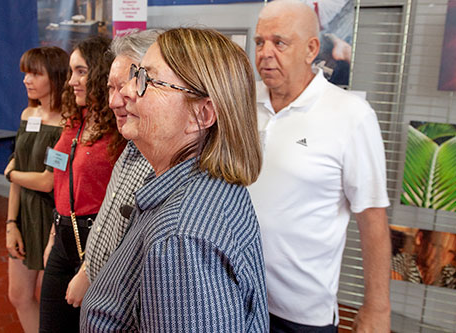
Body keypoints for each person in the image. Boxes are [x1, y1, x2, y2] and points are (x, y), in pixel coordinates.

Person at [80, 27, 269, 332]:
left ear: (202, 114)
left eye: (145, 80)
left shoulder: (181, 239)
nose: (128, 91)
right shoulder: (208, 186)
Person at [248, 0, 391, 331]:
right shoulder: (244, 103)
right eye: (259, 42)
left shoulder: (351, 116)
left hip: (301, 315)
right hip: (236, 299)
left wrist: (377, 308)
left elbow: (372, 219)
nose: (265, 53)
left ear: (312, 48)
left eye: (279, 42)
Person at [64, 29, 161, 308]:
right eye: (111, 88)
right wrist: (87, 270)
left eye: (127, 86)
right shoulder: (132, 145)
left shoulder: (163, 163)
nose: (114, 101)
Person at [38, 35, 123, 332]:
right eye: (72, 71)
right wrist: (52, 237)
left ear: (101, 72)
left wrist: (88, 270)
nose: (72, 80)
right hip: (62, 236)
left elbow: (122, 203)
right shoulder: (75, 119)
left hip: (97, 241)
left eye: (81, 71)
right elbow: (61, 181)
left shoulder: (119, 128)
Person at [3, 46, 69, 333]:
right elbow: (17, 162)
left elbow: (48, 181)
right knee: (18, 294)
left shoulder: (68, 123)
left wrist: (12, 174)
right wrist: (10, 223)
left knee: (51, 301)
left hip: (53, 218)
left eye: (34, 73)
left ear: (55, 77)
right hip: (23, 216)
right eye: (25, 73)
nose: (26, 80)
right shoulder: (27, 113)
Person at [391, 229, 456, 288]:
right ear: (420, 239)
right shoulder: (400, 263)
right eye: (438, 246)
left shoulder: (451, 275)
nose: (443, 257)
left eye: (450, 252)